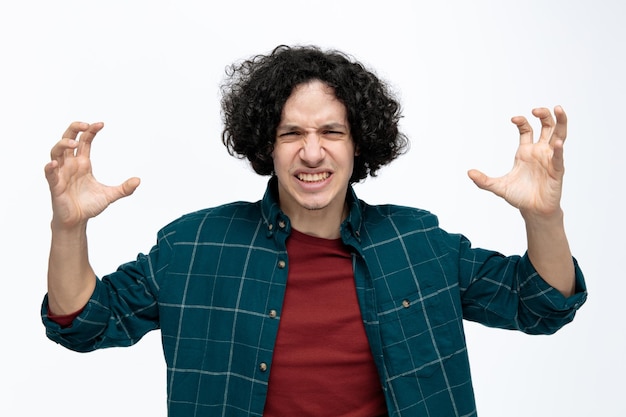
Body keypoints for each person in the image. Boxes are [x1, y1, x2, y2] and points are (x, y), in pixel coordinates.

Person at [42, 45, 587, 417]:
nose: (311, 152)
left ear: (358, 146)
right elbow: (85, 323)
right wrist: (68, 227)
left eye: (332, 131)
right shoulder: (195, 247)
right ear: (266, 145)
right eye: (291, 133)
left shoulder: (417, 244)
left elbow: (540, 304)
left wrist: (543, 217)